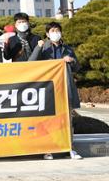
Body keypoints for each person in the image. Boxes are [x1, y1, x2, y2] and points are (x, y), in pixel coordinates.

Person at [29, 21, 83, 160]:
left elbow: (77, 68)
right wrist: (37, 48)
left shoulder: (68, 49)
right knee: (49, 120)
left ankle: (70, 148)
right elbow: (31, 63)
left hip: (65, 87)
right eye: (52, 31)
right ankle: (48, 149)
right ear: (47, 34)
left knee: (68, 120)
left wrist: (71, 61)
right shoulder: (44, 48)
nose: (55, 33)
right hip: (50, 89)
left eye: (57, 30)